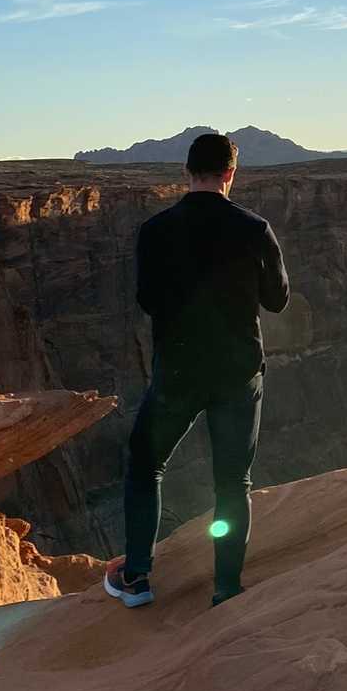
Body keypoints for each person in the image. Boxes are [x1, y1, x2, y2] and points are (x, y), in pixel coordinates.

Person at [104, 130, 290, 609]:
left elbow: (147, 301)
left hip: (179, 371)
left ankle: (138, 579)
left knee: (146, 466)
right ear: (231, 174)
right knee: (233, 483)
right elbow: (277, 300)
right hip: (238, 371)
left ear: (186, 173)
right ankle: (226, 587)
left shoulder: (156, 230)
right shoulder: (255, 228)